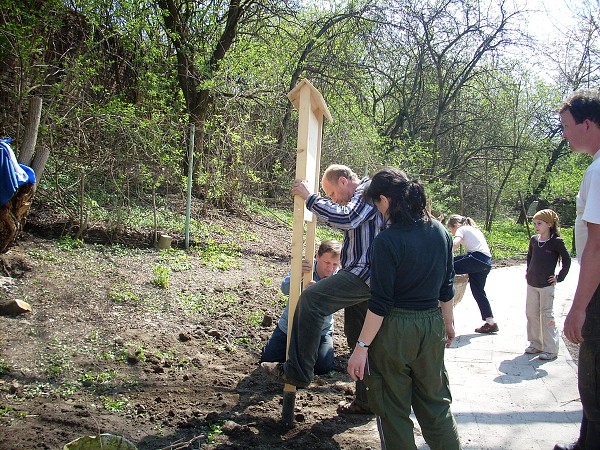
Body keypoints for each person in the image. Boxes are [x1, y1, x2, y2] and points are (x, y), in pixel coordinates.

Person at [347, 167, 460, 450]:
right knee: (436, 403)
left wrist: (361, 348)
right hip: (431, 324)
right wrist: (448, 323)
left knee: (392, 409)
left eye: (376, 205)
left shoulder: (386, 240)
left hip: (395, 331)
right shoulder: (440, 231)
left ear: (384, 200)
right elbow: (447, 287)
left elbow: (380, 303)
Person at [261, 164, 384, 415]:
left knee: (312, 300)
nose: (333, 199)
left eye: (331, 194)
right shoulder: (363, 199)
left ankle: (297, 371)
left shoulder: (366, 190)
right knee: (358, 337)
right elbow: (346, 219)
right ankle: (366, 401)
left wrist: (310, 198)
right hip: (369, 277)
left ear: (342, 181)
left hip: (364, 274)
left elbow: (347, 217)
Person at [553, 89, 600, 450]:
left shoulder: (598, 172)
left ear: (587, 124)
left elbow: (597, 247)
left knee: (593, 378)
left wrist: (580, 306)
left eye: (567, 127)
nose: (565, 134)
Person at [260, 240, 342, 375]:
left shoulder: (339, 276)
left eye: (334, 264)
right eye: (327, 263)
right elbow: (285, 289)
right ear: (317, 256)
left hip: (321, 330)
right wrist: (299, 275)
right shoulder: (305, 267)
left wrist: (317, 292)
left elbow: (336, 304)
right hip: (291, 325)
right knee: (268, 359)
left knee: (322, 368)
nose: (330, 268)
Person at [524, 209, 571, 361]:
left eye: (539, 223)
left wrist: (559, 277)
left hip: (546, 286)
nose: (536, 226)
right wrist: (528, 272)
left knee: (546, 315)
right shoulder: (534, 240)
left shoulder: (556, 242)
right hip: (532, 284)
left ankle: (550, 349)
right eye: (535, 223)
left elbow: (567, 260)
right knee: (531, 314)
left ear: (549, 224)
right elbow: (529, 257)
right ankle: (536, 344)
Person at [446, 214, 497, 334]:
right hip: (486, 263)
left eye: (451, 230)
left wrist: (445, 254)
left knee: (445, 264)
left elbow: (455, 242)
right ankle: (491, 322)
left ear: (454, 226)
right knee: (478, 292)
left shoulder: (461, 229)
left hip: (476, 258)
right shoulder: (474, 229)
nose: (453, 233)